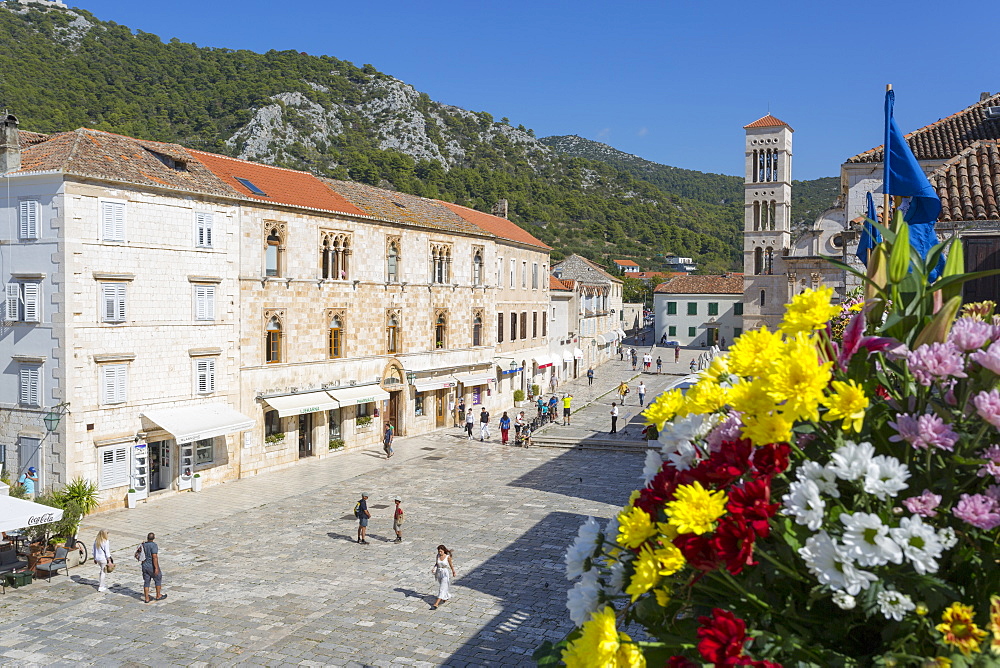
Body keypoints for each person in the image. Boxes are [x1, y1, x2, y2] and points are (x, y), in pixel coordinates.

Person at [138, 532, 165, 603]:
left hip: (144, 565)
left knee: (146, 582)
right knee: (158, 578)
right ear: (154, 538)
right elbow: (154, 557)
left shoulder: (143, 545)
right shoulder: (154, 545)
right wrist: (156, 568)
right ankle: (158, 595)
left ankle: (146, 598)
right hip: (151, 566)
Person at [431, 545, 456, 610]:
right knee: (444, 586)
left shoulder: (448, 557)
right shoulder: (438, 556)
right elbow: (436, 563)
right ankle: (445, 596)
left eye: (441, 551)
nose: (439, 553)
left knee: (442, 588)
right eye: (439, 551)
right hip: (439, 573)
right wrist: (434, 568)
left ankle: (436, 604)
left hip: (445, 573)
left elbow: (451, 565)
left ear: (444, 550)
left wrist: (453, 571)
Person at [93, 529, 113, 593]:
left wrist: (95, 558)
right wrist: (109, 560)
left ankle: (102, 583)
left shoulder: (96, 541)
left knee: (101, 571)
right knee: (103, 572)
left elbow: (94, 550)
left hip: (98, 558)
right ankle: (101, 586)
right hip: (103, 558)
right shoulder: (106, 541)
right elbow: (107, 552)